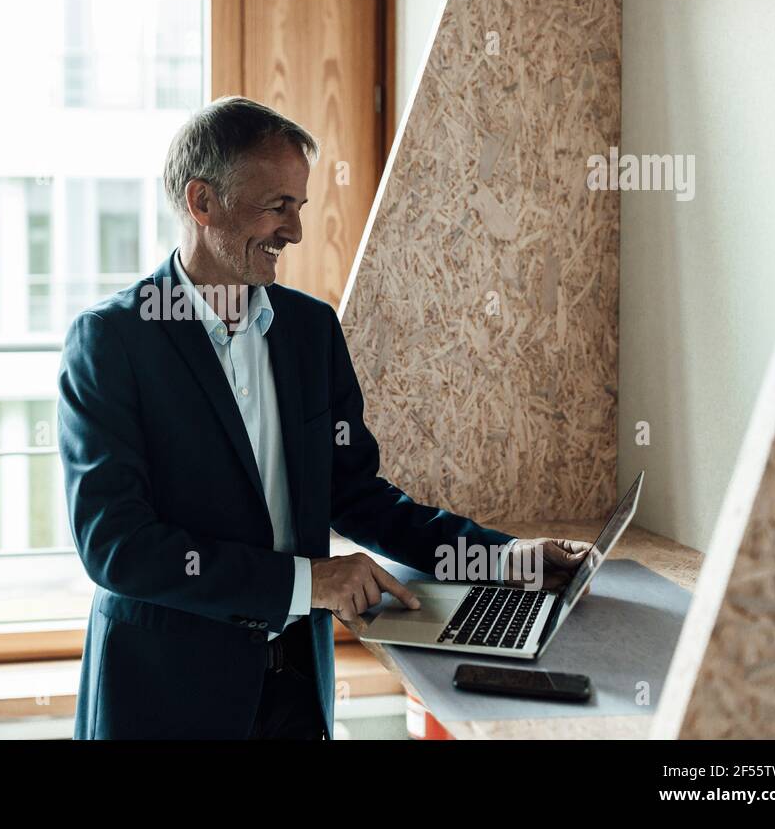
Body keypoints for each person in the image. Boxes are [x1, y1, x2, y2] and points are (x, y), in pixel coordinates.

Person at [58, 95, 591, 739]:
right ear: (203, 204)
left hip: (296, 692)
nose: (296, 231)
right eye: (277, 206)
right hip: (165, 699)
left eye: (300, 207)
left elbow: (358, 497)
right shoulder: (112, 343)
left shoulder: (310, 331)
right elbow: (117, 547)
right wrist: (308, 582)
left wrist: (502, 559)